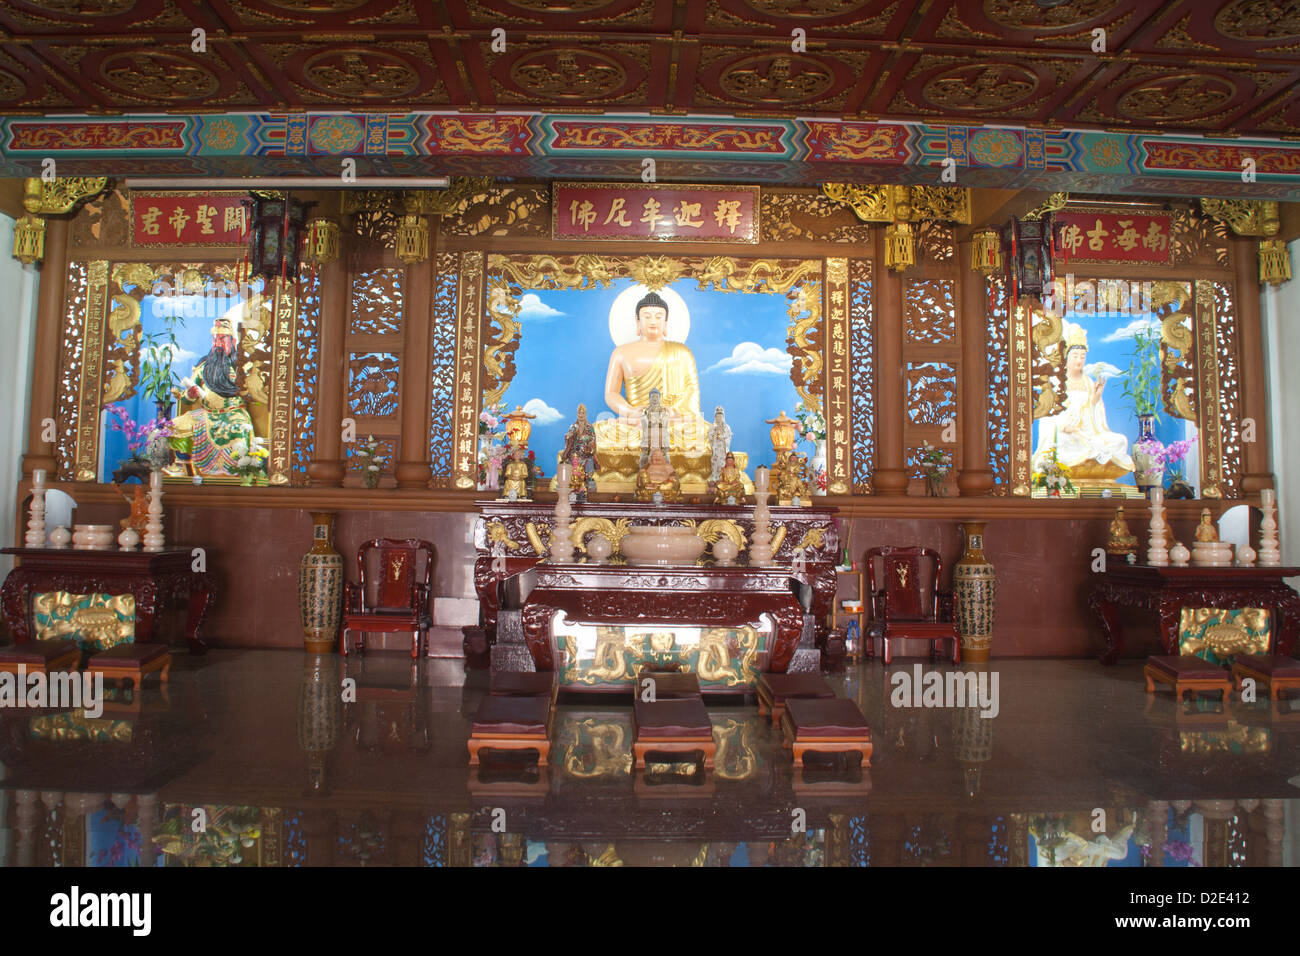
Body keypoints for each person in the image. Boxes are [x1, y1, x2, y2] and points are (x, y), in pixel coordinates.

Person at [598, 290, 707, 453]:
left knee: (702, 432)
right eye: (647, 316)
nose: (653, 321)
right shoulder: (621, 353)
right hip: (636, 423)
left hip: (673, 423)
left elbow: (692, 392)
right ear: (637, 321)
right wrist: (631, 412)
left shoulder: (682, 352)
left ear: (666, 322)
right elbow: (611, 394)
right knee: (601, 431)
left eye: (658, 316)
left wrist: (672, 413)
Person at [1031, 326, 1134, 474]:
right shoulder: (1056, 382)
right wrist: (1065, 426)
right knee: (1062, 441)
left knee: (1120, 440)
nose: (1079, 360)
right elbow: (1047, 416)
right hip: (1066, 433)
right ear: (1067, 356)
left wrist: (1095, 400)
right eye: (1075, 356)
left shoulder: (1089, 383)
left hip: (1087, 433)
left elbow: (1095, 420)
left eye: (1082, 356)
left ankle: (1093, 461)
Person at [165, 316, 258, 478]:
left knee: (239, 433)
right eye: (215, 340)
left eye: (222, 339)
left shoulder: (243, 366)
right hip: (206, 414)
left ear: (233, 341)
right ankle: (184, 468)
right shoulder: (203, 367)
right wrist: (190, 394)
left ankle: (240, 472)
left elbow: (253, 393)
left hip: (233, 414)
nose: (218, 344)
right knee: (172, 427)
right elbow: (186, 399)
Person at [707, 405, 732, 482]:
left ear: (723, 417)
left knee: (722, 463)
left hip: (722, 449)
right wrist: (715, 436)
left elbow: (729, 436)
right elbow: (710, 437)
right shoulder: (712, 427)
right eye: (717, 416)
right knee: (715, 463)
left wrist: (722, 437)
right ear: (715, 417)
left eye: (720, 416)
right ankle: (714, 477)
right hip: (716, 449)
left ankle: (722, 477)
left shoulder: (726, 427)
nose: (719, 418)